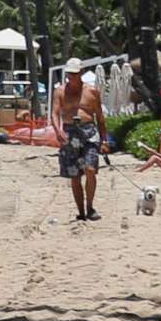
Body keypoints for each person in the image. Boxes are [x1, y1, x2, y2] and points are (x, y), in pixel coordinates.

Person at [54, 58, 104, 221]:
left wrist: (105, 139)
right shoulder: (60, 91)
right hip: (69, 132)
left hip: (89, 131)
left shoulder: (92, 91)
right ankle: (81, 211)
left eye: (74, 74)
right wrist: (57, 129)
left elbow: (100, 116)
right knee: (75, 175)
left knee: (90, 169)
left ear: (81, 73)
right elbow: (55, 113)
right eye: (69, 74)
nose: (71, 77)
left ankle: (90, 207)